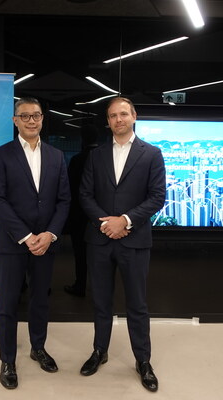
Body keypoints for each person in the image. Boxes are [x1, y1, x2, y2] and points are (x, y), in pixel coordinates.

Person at [78, 97, 166, 392]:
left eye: (124, 114)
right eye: (113, 115)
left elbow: (157, 197)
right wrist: (107, 224)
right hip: (100, 240)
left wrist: (125, 221)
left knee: (137, 304)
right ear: (108, 121)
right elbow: (85, 195)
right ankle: (99, 351)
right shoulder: (96, 155)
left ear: (134, 116)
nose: (119, 119)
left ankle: (143, 360)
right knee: (100, 301)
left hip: (135, 240)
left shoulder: (152, 154)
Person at [0, 97, 70, 390]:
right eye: (25, 116)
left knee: (40, 299)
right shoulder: (0, 155)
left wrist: (50, 234)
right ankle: (8, 360)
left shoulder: (56, 156)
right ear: (15, 121)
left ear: (43, 119)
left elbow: (64, 200)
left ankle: (38, 348)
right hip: (12, 242)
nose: (31, 120)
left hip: (46, 242)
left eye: (36, 115)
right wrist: (26, 235)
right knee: (8, 303)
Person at [64, 124, 98, 297]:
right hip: (100, 215)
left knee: (80, 252)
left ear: (82, 139)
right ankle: (99, 288)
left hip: (78, 214)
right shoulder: (104, 158)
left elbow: (68, 188)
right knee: (99, 253)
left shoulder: (77, 159)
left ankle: (80, 285)